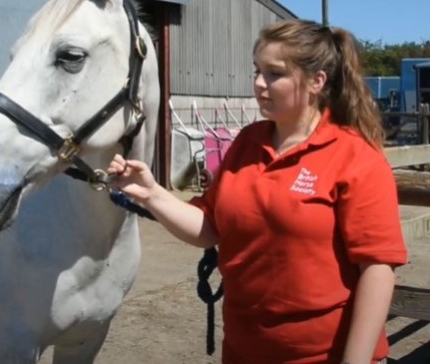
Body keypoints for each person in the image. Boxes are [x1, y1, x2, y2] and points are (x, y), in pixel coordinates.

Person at [108, 19, 408, 364]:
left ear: (316, 81)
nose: (258, 84)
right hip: (242, 352)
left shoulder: (354, 156)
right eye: (257, 71)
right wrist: (150, 194)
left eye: (274, 74)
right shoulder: (246, 144)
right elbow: (209, 228)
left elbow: (377, 269)